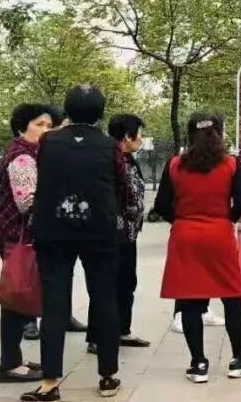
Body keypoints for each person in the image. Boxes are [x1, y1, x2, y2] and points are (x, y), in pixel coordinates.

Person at [23, 85, 129, 402]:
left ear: (67, 111)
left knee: (55, 304)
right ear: (100, 113)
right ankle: (107, 377)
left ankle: (49, 383)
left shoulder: (48, 141)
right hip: (100, 232)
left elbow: (44, 175)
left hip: (54, 230)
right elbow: (122, 186)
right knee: (105, 300)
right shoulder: (110, 145)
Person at [156, 113, 241, 384]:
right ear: (220, 132)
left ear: (190, 134)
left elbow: (161, 205)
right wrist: (227, 219)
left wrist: (182, 221)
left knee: (190, 300)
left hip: (185, 237)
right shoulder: (231, 164)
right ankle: (239, 359)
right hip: (219, 236)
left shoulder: (174, 165)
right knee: (232, 297)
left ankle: (198, 364)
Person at [166, 155, 241, 334]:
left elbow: (239, 169)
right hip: (208, 228)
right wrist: (228, 219)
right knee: (198, 278)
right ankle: (181, 314)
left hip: (194, 230)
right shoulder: (188, 163)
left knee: (196, 274)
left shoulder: (215, 163)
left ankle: (202, 313)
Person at [0, 104, 52, 385]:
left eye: (49, 125)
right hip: (19, 237)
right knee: (16, 297)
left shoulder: (29, 153)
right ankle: (10, 364)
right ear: (21, 127)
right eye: (39, 124)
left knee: (18, 297)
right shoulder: (23, 158)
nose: (45, 130)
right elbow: (27, 203)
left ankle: (14, 358)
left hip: (17, 235)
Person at [86, 114, 150, 354]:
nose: (141, 139)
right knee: (106, 285)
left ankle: (122, 329)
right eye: (139, 134)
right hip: (110, 233)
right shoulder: (108, 158)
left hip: (129, 234)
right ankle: (97, 336)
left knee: (126, 282)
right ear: (127, 136)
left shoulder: (129, 160)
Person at [22, 105, 87, 344]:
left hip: (59, 220)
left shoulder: (61, 150)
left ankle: (64, 314)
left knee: (63, 272)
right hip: (32, 224)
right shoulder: (30, 153)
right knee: (31, 272)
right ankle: (29, 319)